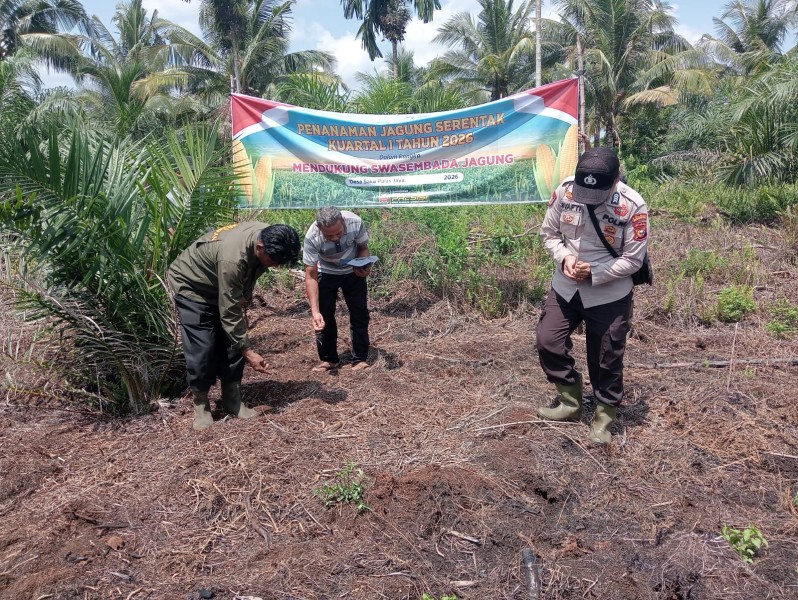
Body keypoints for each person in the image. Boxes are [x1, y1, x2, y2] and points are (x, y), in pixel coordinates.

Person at [535, 147, 649, 444]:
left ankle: (603, 419)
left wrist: (595, 273)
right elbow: (549, 234)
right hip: (566, 286)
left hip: (609, 293)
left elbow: (633, 260)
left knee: (606, 358)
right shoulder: (566, 191)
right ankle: (570, 402)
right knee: (548, 341)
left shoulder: (632, 205)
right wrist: (564, 258)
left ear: (615, 181)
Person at [167, 222, 301, 430]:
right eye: (273, 261)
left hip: (223, 284)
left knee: (232, 342)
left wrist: (240, 343)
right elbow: (228, 309)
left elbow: (232, 304)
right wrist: (248, 351)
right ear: (260, 248)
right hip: (194, 286)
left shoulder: (272, 236)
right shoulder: (233, 258)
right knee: (203, 347)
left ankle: (232, 400)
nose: (274, 266)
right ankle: (201, 405)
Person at [303, 206, 372, 372]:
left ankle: (360, 359)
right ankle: (329, 359)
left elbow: (363, 248)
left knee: (359, 313)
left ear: (343, 221)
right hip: (325, 273)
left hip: (352, 271)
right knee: (325, 316)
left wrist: (364, 265)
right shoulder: (312, 237)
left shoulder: (355, 222)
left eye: (339, 233)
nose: (334, 237)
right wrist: (314, 311)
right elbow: (310, 276)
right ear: (320, 228)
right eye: (328, 235)